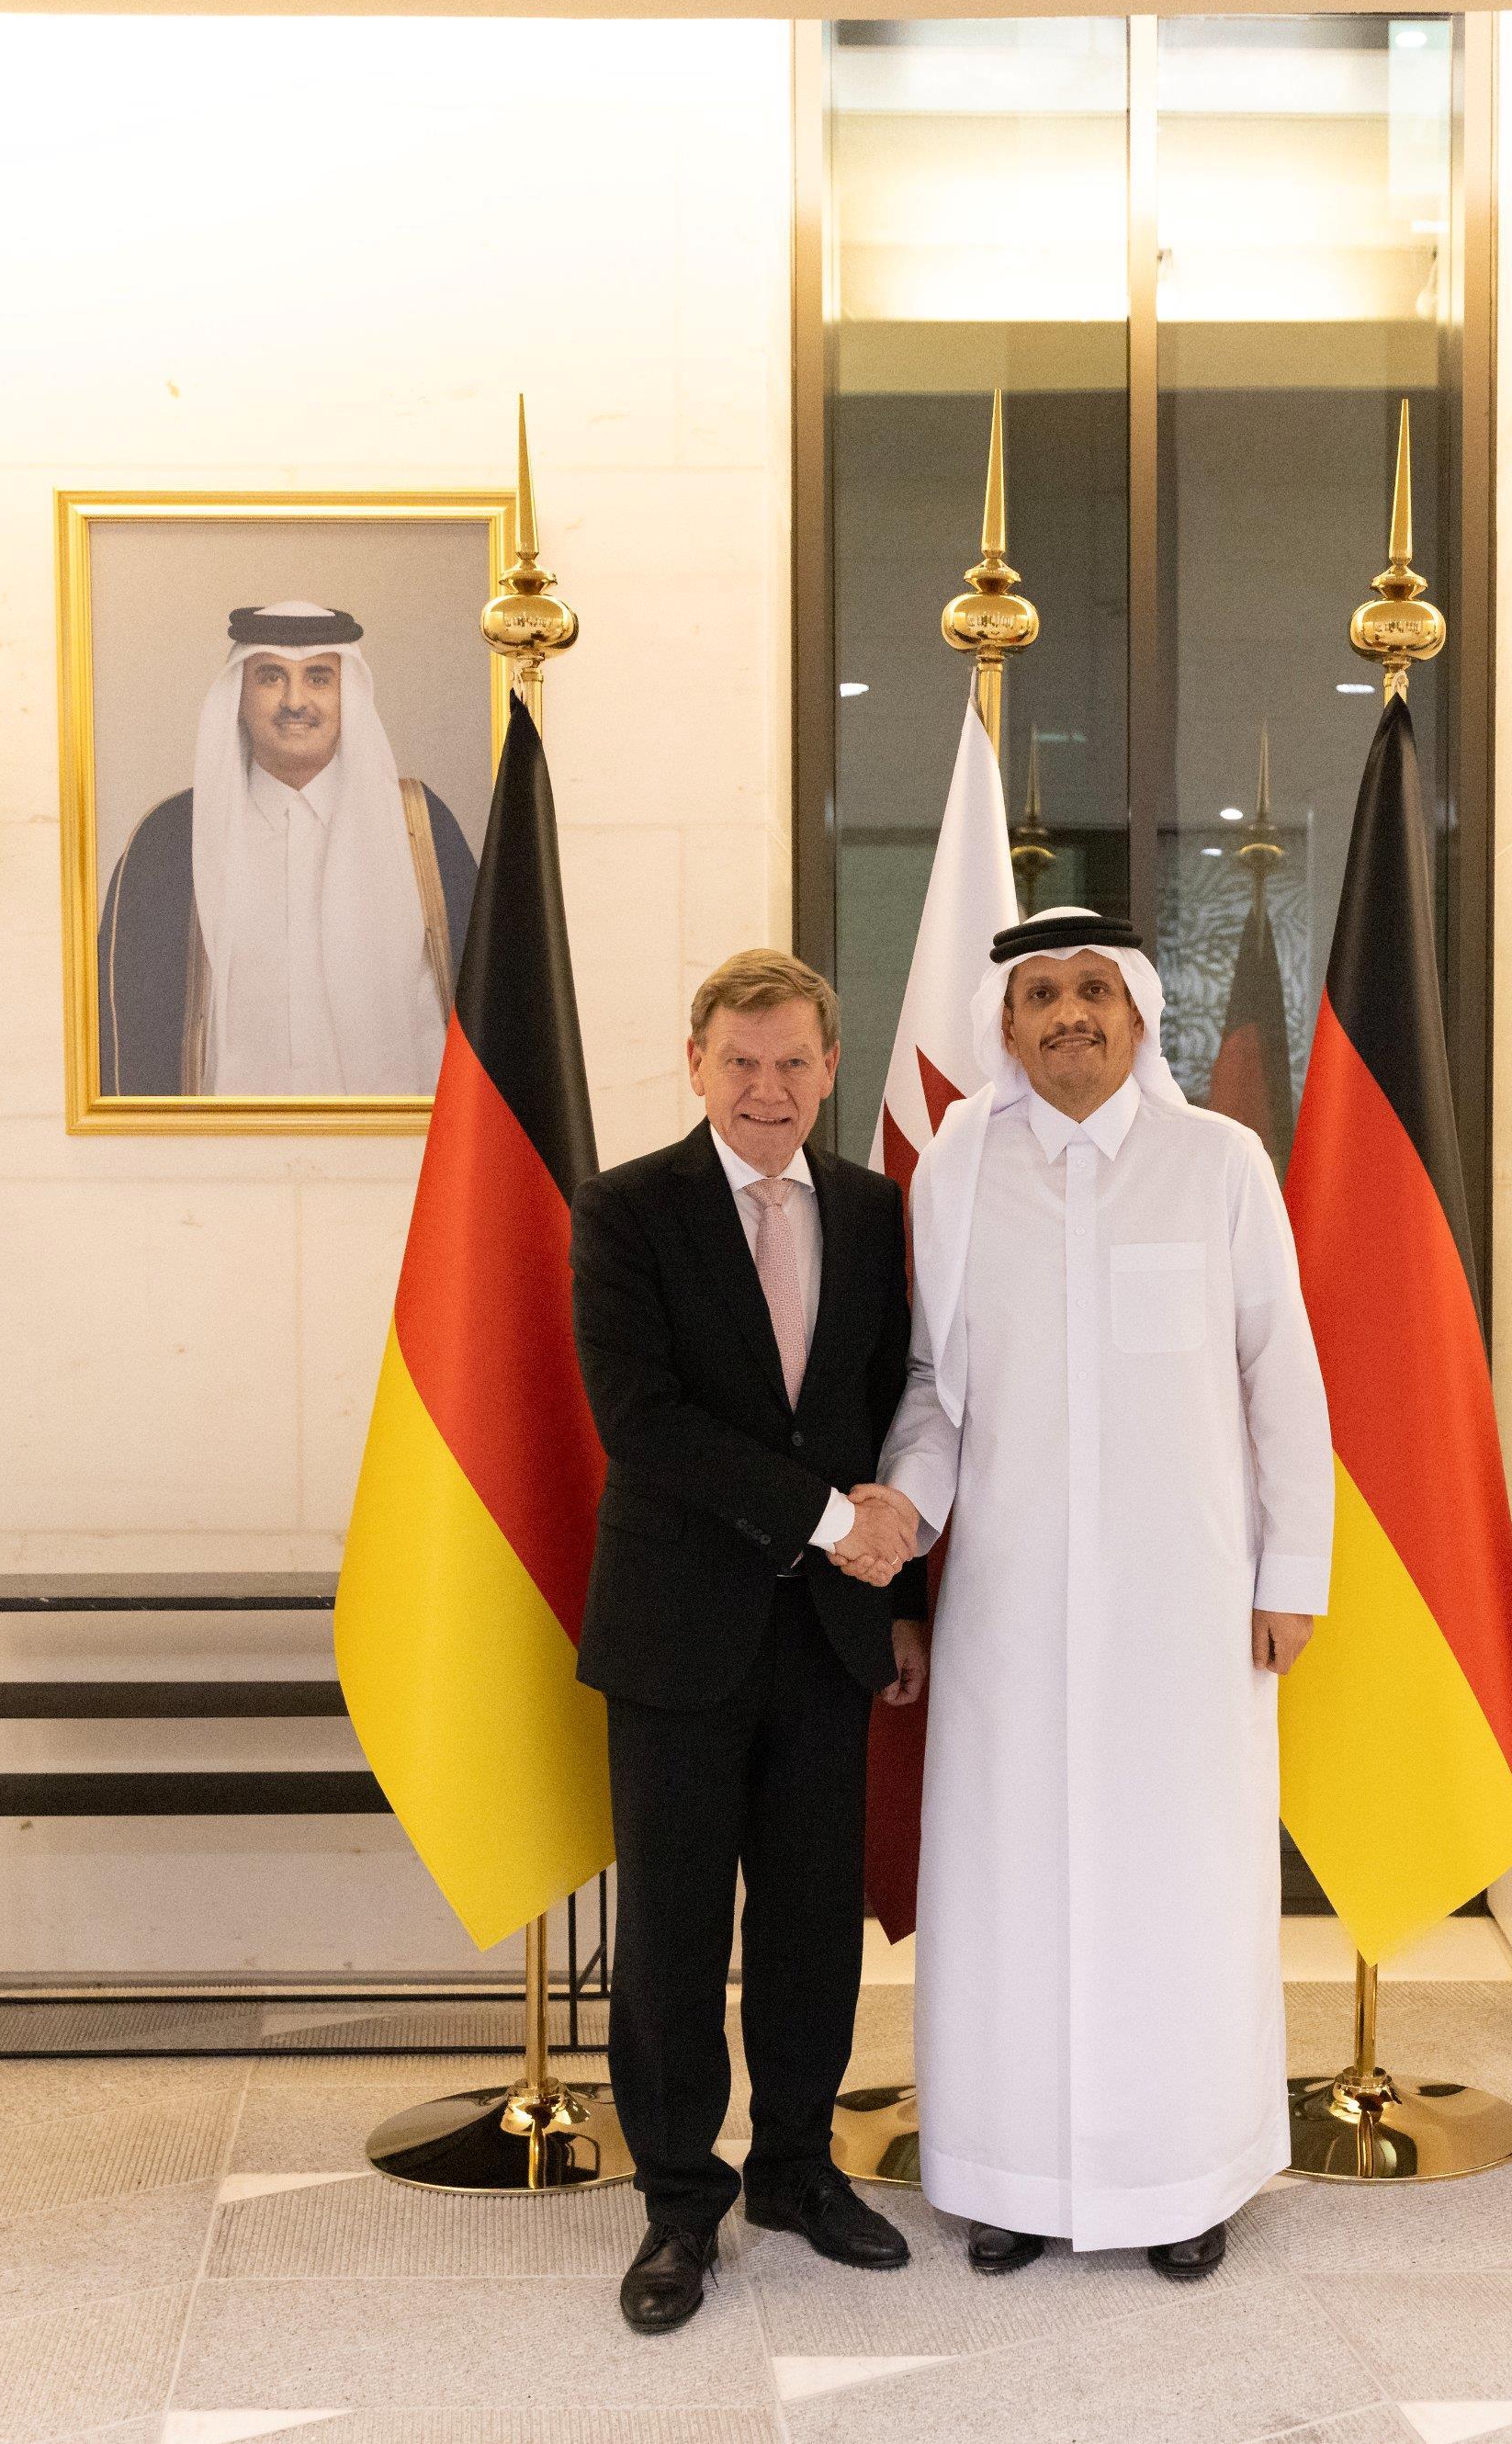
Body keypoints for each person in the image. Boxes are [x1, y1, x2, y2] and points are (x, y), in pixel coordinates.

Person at [870, 906, 1334, 2283]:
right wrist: (904, 1518)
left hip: (1183, 1610)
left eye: (1092, 990)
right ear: (1006, 1026)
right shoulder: (957, 1168)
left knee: (1178, 1887)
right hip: (1008, 1609)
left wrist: (1292, 1571)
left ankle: (1181, 2178)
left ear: (1137, 1012)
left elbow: (1282, 1374)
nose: (1068, 1013)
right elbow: (934, 1387)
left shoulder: (1219, 1162)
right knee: (1006, 1890)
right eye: (1040, 994)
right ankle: (1008, 2176)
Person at [568, 950, 931, 2335]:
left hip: (830, 1635)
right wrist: (833, 1518)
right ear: (695, 1063)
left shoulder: (874, 1209)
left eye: (791, 1062)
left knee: (808, 1924)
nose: (766, 1087)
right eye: (740, 1061)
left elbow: (892, 1399)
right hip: (678, 1631)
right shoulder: (625, 1208)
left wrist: (900, 1594)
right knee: (671, 1931)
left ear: (830, 1068)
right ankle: (678, 2199)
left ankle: (793, 2169)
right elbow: (641, 1420)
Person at [96, 601, 476, 1097]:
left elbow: (484, 1002)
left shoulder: (418, 826)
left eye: (318, 678)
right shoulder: (170, 838)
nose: (295, 701)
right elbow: (127, 1029)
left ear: (348, 695)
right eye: (271, 677)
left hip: (396, 1136)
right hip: (225, 1138)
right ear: (238, 696)